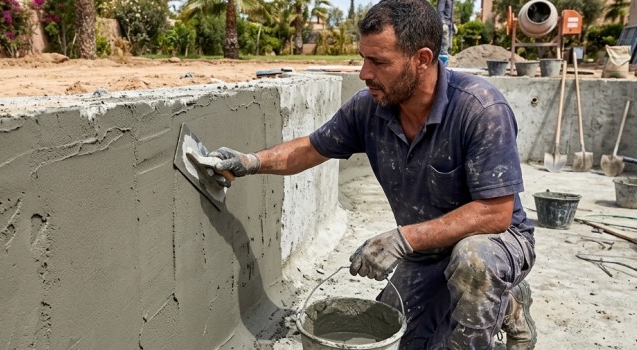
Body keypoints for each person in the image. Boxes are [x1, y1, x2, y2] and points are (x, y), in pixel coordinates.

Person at [206, 0, 536, 348]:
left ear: (422, 59)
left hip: (496, 242)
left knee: (473, 263)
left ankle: (506, 306)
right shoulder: (370, 108)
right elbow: (309, 149)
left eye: (378, 62)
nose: (364, 73)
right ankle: (501, 302)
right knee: (394, 333)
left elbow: (495, 213)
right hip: (427, 253)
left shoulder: (480, 108)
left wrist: (402, 239)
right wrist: (250, 162)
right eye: (364, 58)